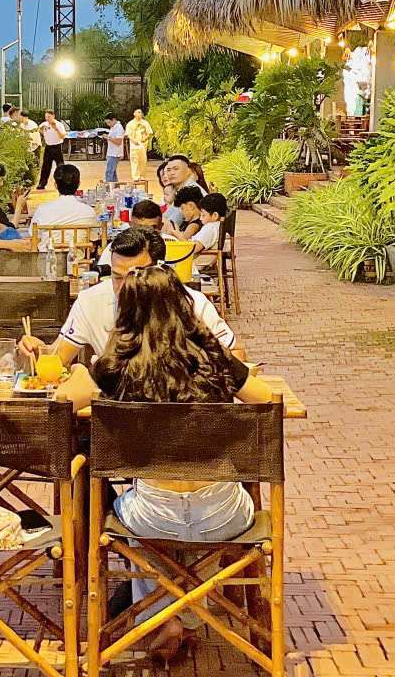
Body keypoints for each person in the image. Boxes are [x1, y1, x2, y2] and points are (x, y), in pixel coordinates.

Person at [53, 265, 271, 661]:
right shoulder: (215, 359)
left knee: (130, 513)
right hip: (222, 515)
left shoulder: (115, 366)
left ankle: (160, 615)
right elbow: (267, 400)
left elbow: (62, 401)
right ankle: (184, 616)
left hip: (152, 516)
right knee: (202, 533)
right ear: (183, 304)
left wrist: (82, 371)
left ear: (127, 310)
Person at [18, 227, 241, 369]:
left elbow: (236, 356)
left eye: (135, 276)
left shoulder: (191, 304)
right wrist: (37, 350)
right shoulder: (91, 301)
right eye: (117, 277)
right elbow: (58, 359)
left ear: (160, 272)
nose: (125, 287)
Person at [29, 163, 100, 256]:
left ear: (55, 185)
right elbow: (94, 239)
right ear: (78, 184)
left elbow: (34, 238)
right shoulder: (88, 211)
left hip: (47, 262)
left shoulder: (42, 210)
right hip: (78, 263)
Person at [37, 109, 69, 189]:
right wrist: (41, 130)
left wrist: (56, 129)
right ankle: (42, 183)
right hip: (48, 147)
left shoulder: (59, 124)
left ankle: (62, 183)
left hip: (57, 147)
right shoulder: (44, 124)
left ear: (53, 116)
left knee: (60, 166)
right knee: (45, 166)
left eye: (49, 117)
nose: (47, 118)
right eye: (46, 117)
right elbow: (39, 130)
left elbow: (63, 136)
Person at [125, 108, 154, 181]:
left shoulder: (145, 123)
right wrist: (133, 141)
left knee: (143, 160)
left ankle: (142, 176)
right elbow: (128, 134)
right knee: (134, 160)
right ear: (134, 113)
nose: (140, 114)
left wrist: (145, 138)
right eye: (138, 112)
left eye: (140, 112)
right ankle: (135, 176)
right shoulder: (130, 124)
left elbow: (150, 133)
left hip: (143, 145)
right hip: (134, 145)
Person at [103, 113, 126, 185]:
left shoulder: (119, 127)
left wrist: (108, 137)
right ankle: (115, 189)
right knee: (112, 173)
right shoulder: (113, 127)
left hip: (115, 153)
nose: (108, 125)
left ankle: (108, 188)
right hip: (111, 152)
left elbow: (119, 141)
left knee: (109, 172)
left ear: (113, 120)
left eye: (109, 122)